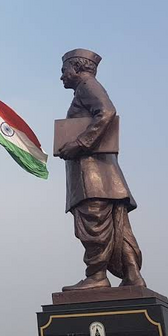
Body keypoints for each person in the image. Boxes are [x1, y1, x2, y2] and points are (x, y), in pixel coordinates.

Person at [57, 48, 146, 291]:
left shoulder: (88, 86)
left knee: (94, 225)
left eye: (64, 70)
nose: (61, 77)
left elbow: (107, 111)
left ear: (77, 68)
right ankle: (132, 275)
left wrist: (80, 143)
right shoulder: (85, 89)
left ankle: (96, 276)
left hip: (92, 175)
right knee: (118, 228)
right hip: (107, 176)